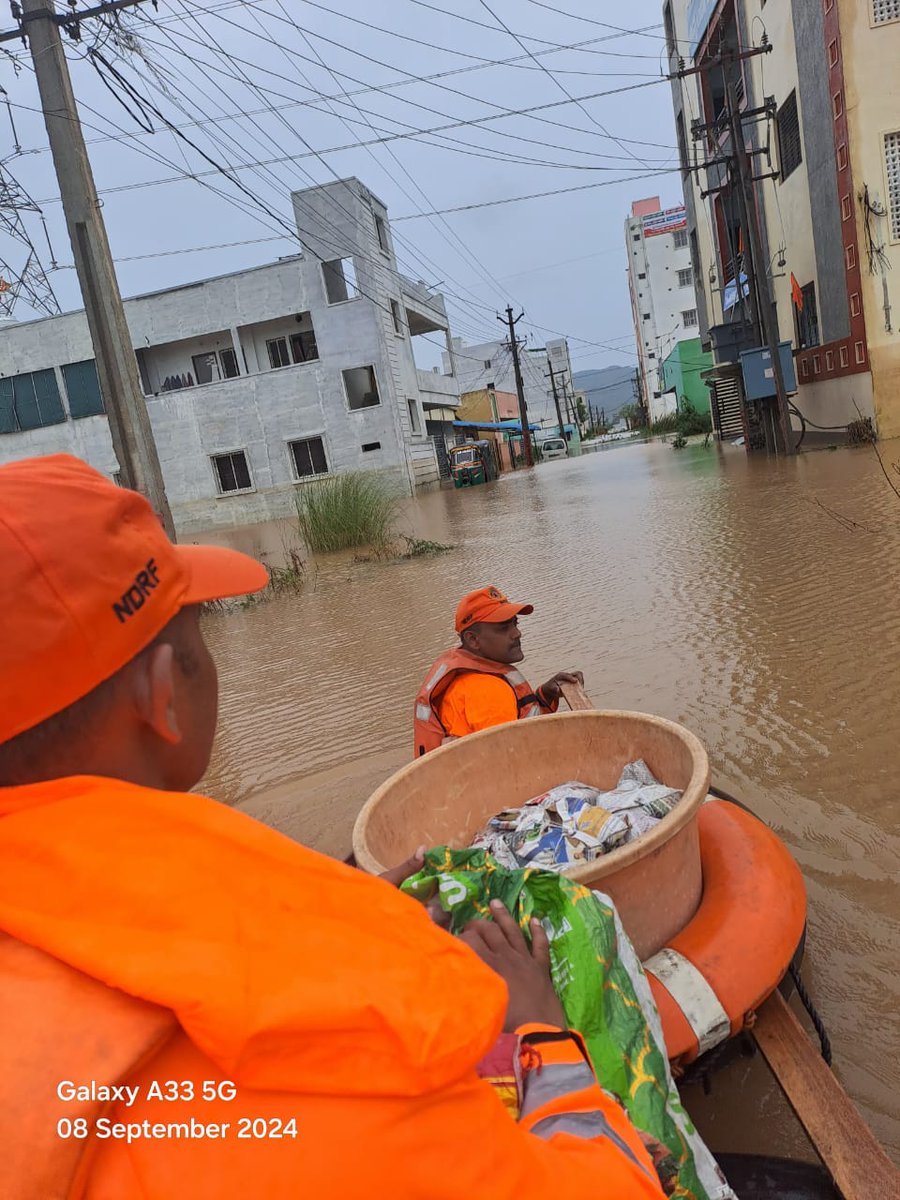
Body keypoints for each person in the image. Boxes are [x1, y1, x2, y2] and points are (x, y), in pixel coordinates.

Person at [0, 456, 663, 1199]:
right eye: (201, 644)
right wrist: (545, 1040)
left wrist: (336, 916)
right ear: (163, 697)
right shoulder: (344, 1064)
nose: (515, 635)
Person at [413, 585, 584, 756]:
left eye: (515, 623)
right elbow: (514, 762)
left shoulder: (472, 678)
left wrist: (545, 696)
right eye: (503, 628)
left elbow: (522, 722)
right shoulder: (485, 691)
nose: (517, 633)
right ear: (473, 640)